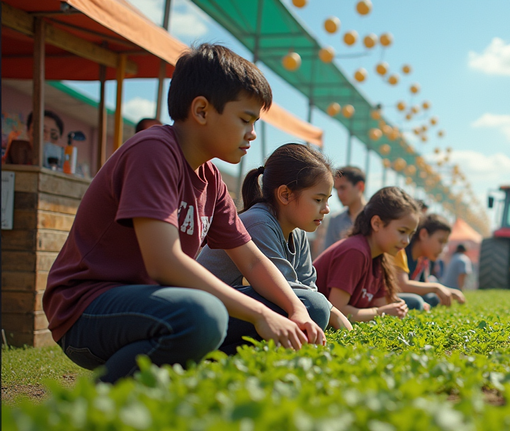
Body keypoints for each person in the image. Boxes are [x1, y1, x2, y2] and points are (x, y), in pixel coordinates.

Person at [42, 44, 326, 384]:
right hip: (87, 310)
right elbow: (164, 263)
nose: (252, 134)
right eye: (245, 120)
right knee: (202, 316)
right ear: (202, 110)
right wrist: (261, 314)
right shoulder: (154, 151)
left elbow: (251, 262)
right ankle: (97, 403)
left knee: (310, 307)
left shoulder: (211, 179)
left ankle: (200, 384)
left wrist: (293, 310)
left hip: (158, 305)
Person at [197, 143, 351, 331]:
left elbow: (307, 286)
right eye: (318, 200)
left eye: (327, 200)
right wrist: (330, 309)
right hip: (207, 309)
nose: (326, 209)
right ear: (285, 195)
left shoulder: (298, 231)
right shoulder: (259, 222)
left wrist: (328, 309)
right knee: (314, 307)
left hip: (236, 307)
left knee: (314, 305)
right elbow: (282, 288)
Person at [313, 186, 420, 324]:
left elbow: (380, 304)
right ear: (376, 223)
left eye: (410, 234)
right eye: (402, 231)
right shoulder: (355, 252)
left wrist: (396, 308)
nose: (406, 241)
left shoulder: (380, 257)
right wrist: (380, 313)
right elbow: (337, 311)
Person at [396, 213, 466, 309]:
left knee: (432, 298)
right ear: (424, 234)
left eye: (445, 244)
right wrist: (436, 288)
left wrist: (448, 291)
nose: (442, 249)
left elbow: (424, 285)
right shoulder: (402, 251)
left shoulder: (423, 260)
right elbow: (402, 285)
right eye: (440, 241)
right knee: (416, 302)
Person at [316, 165, 366, 254]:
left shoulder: (375, 217)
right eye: (336, 189)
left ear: (360, 186)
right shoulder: (335, 220)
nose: (339, 193)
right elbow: (328, 254)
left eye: (343, 188)